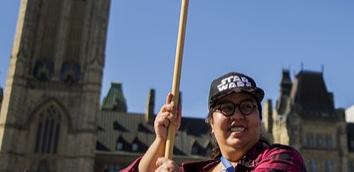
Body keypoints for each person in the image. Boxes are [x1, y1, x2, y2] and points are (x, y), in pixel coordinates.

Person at [121, 71, 306, 172]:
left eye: (247, 106)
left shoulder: (284, 158)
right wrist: (161, 140)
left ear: (260, 117)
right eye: (226, 108)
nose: (237, 115)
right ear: (211, 123)